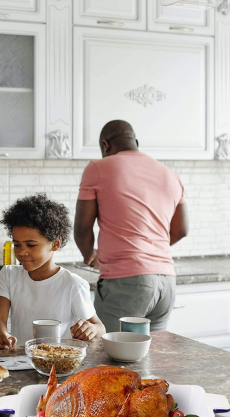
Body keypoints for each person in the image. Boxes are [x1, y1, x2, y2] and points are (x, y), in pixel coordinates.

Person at [74, 120, 189, 333]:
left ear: (105, 145)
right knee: (152, 356)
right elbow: (181, 230)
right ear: (135, 142)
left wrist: (89, 255)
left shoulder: (98, 168)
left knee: (106, 354)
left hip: (126, 281)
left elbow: (82, 228)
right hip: (166, 282)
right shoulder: (170, 175)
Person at [0, 193, 106, 349]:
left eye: (31, 245)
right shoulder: (9, 275)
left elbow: (99, 327)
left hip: (59, 362)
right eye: (17, 245)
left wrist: (91, 329)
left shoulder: (73, 284)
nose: (21, 252)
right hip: (21, 359)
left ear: (55, 244)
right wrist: (1, 334)